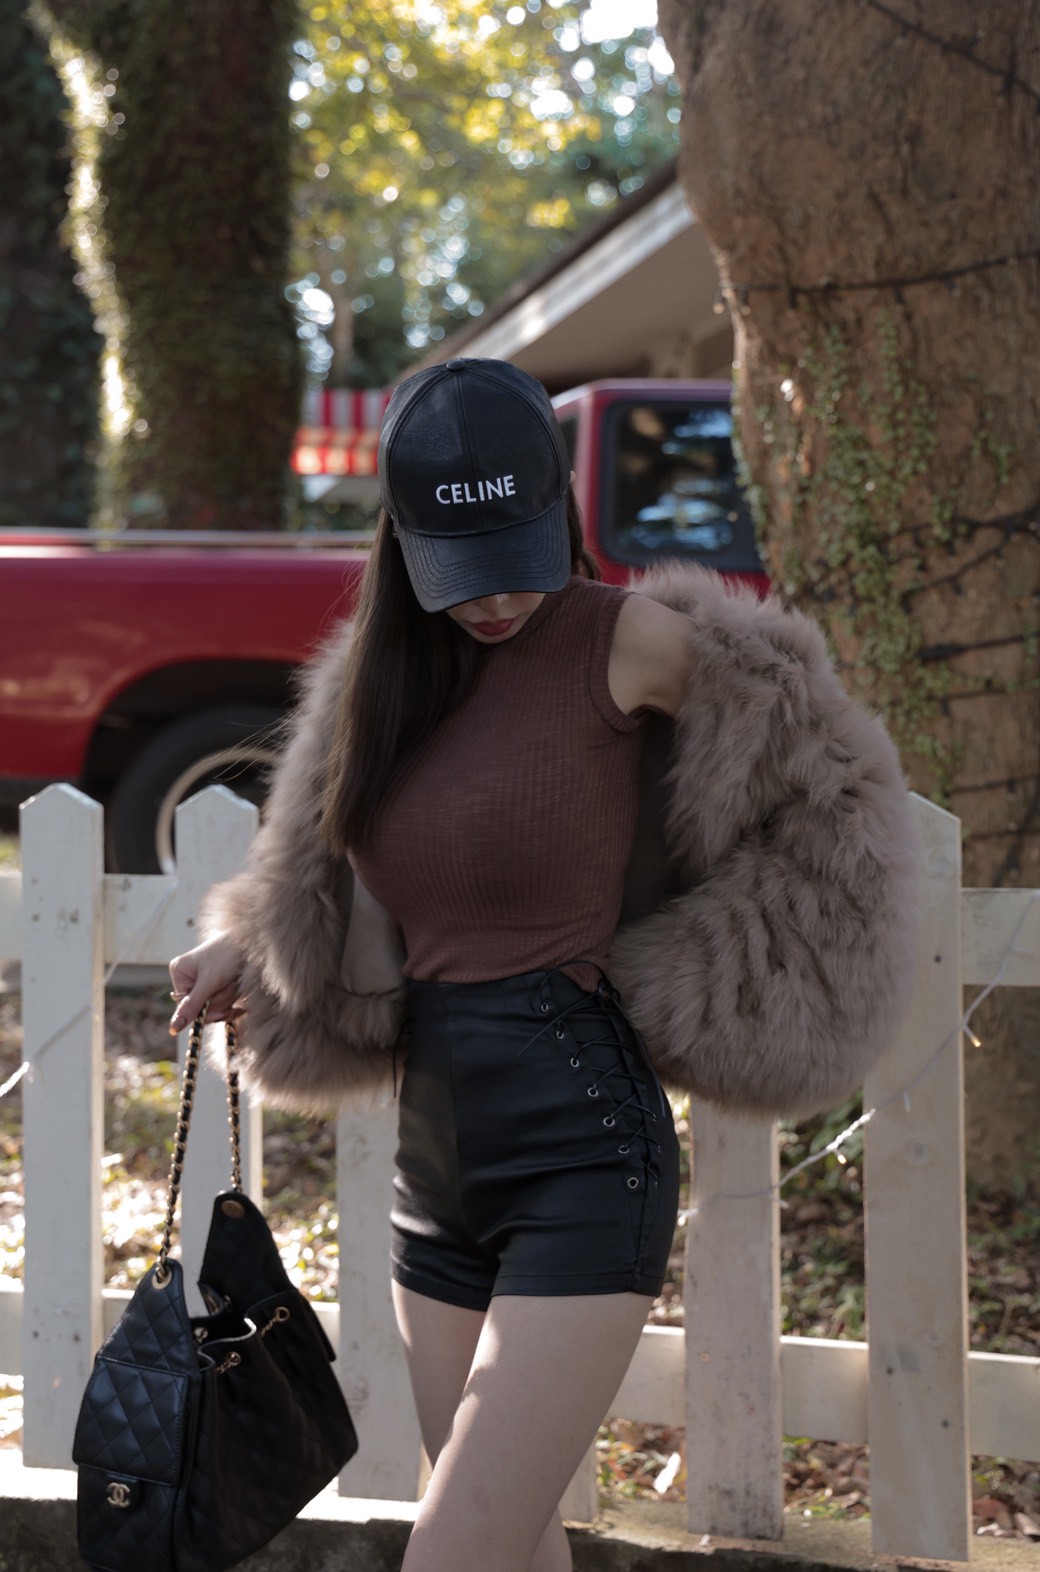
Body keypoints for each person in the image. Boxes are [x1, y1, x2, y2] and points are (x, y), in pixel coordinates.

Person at [168, 358, 918, 1572]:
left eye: (517, 556)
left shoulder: (625, 642)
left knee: (452, 1555)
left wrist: (704, 968)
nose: (497, 598)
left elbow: (828, 789)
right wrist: (246, 942)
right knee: (513, 1550)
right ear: (404, 540)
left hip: (583, 1155)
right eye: (462, 570)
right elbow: (356, 868)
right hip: (434, 1169)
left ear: (553, 509)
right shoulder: (384, 680)